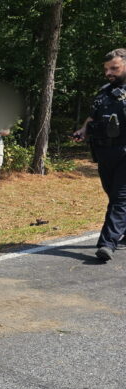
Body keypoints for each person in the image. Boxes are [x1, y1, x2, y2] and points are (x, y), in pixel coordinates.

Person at [73, 48, 126, 262]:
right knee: (113, 195)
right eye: (106, 69)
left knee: (120, 198)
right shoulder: (104, 91)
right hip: (104, 153)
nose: (109, 73)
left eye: (114, 68)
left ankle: (107, 243)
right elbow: (92, 117)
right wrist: (83, 130)